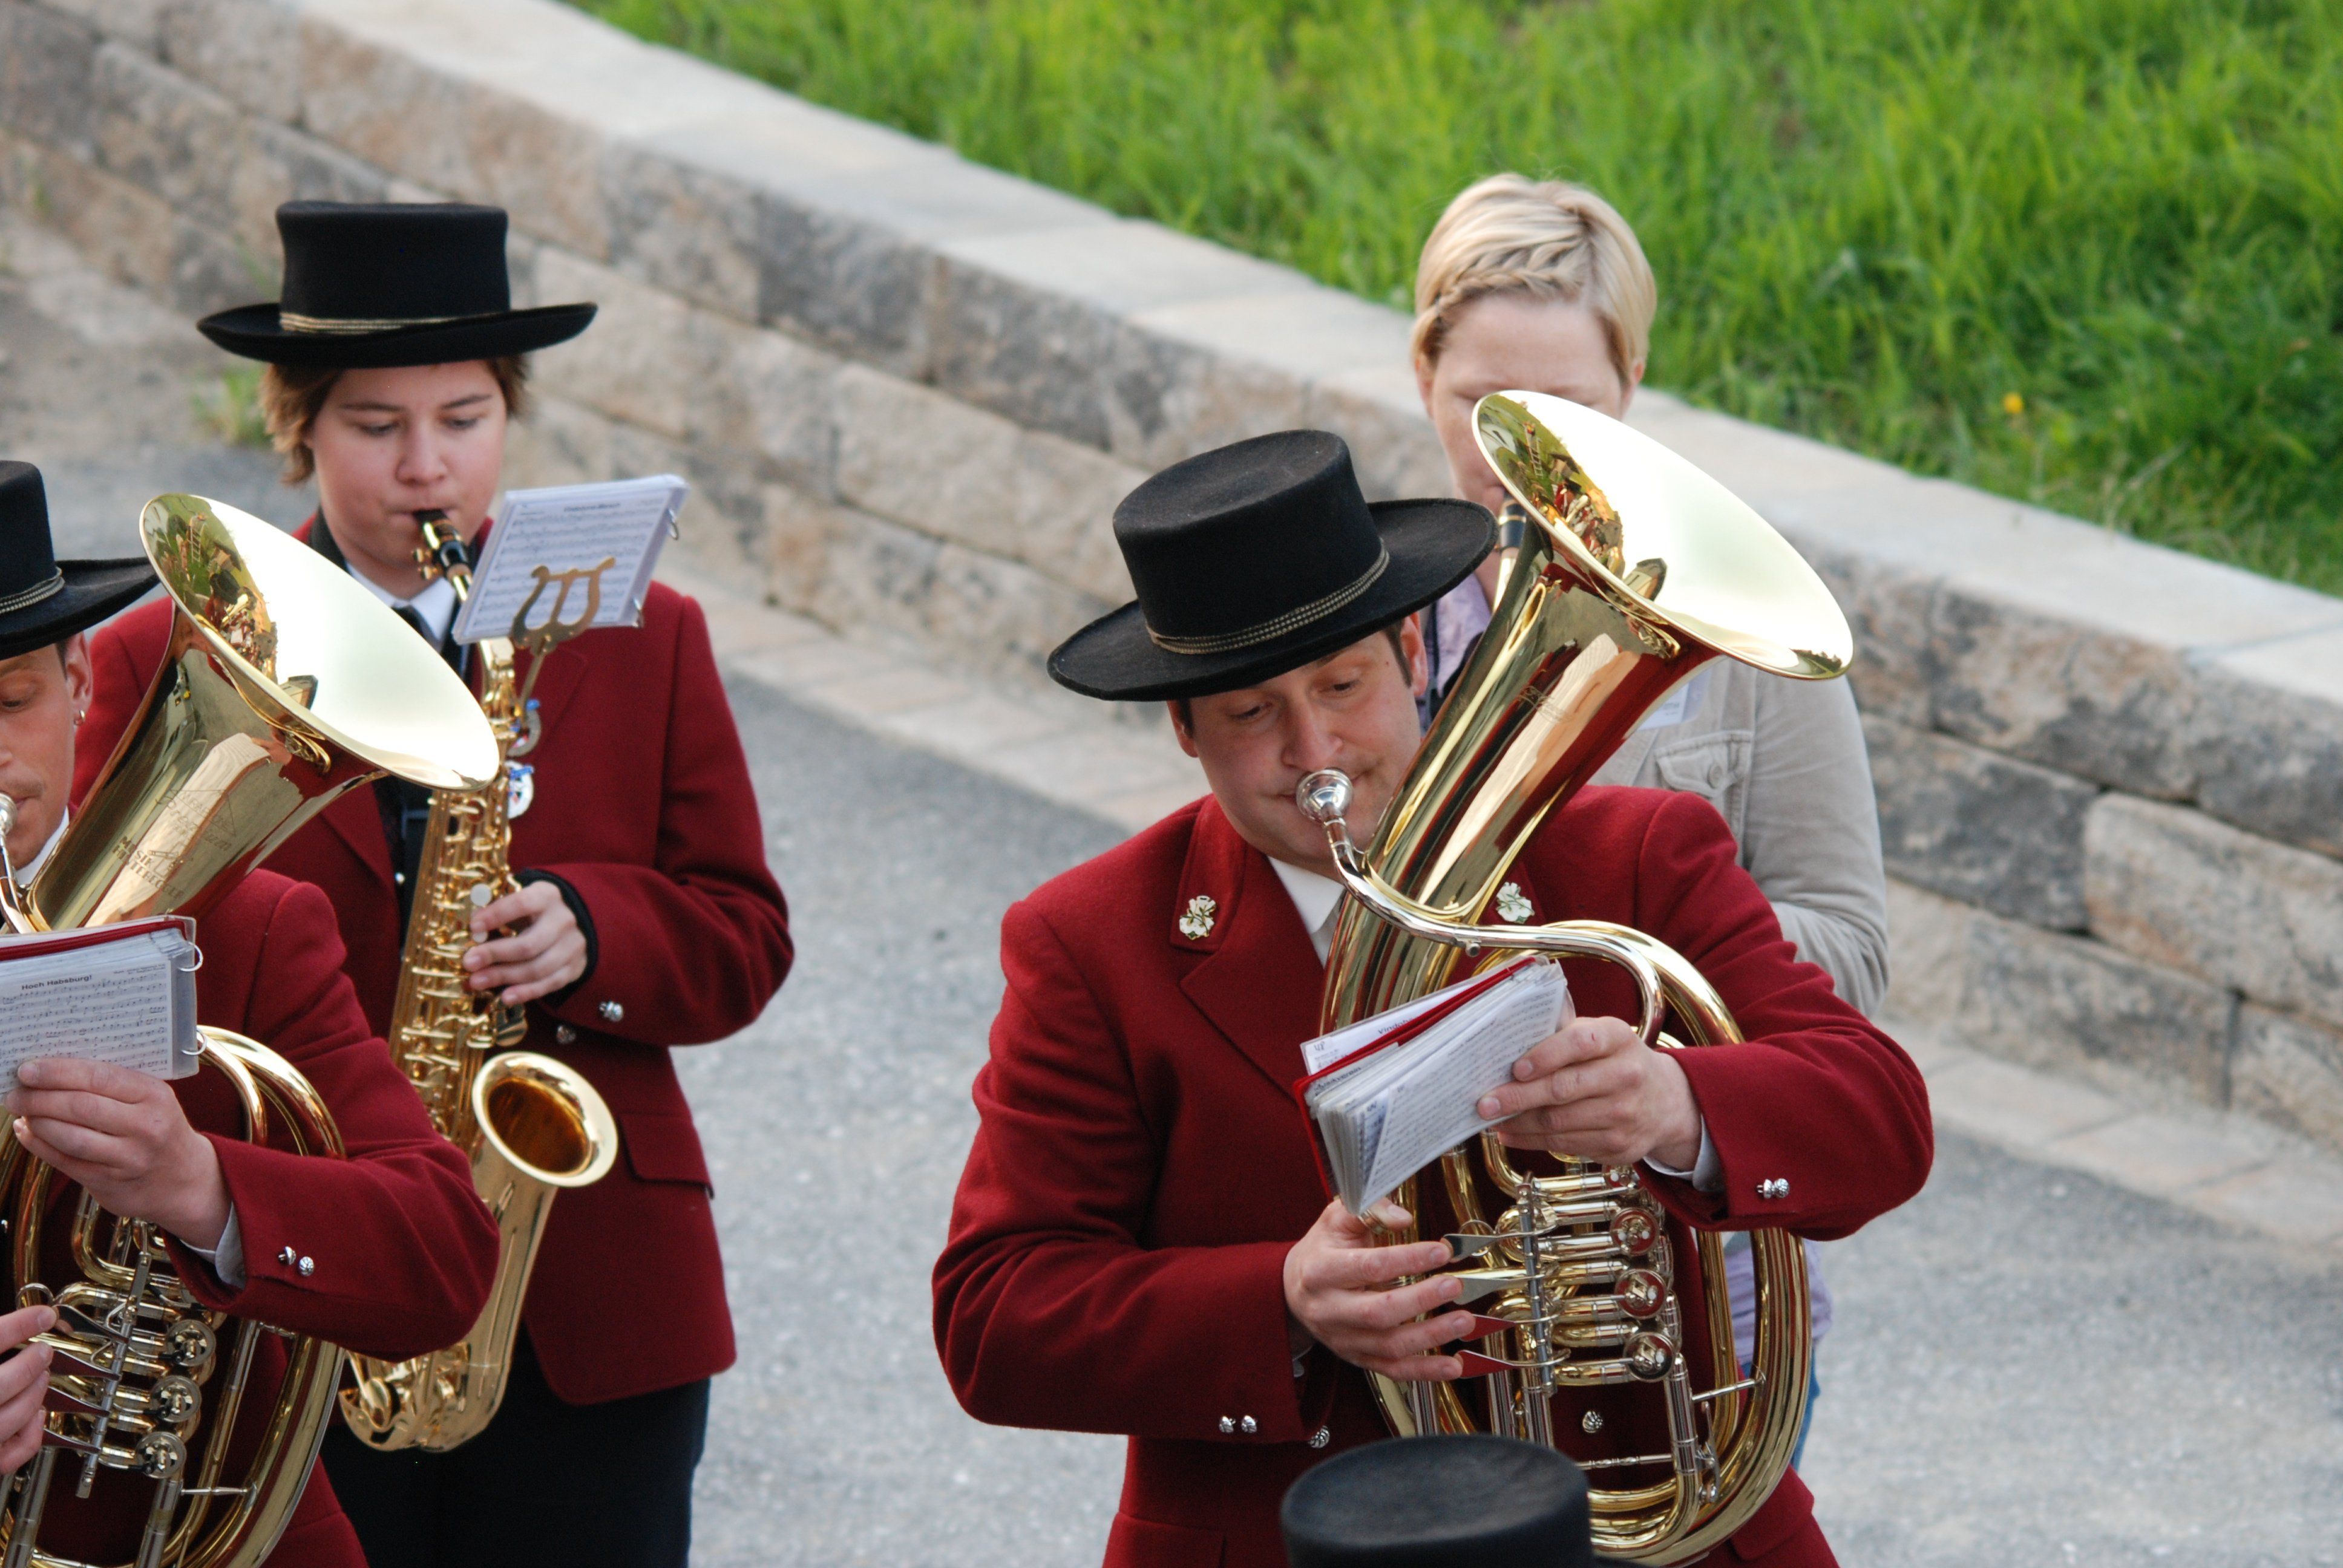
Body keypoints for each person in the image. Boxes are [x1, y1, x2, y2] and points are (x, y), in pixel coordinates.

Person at [933, 429, 1932, 1568]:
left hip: (1649, 1514)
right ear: (1184, 728)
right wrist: (1283, 1301)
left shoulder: (1631, 853)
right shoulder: (1092, 941)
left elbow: (1885, 1119)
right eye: (1251, 714)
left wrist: (1676, 1104)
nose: (1315, 749)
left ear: (1411, 653)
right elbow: (994, 1317)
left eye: (1343, 685)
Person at [74, 202, 796, 1568]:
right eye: (375, 425)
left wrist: (600, 931)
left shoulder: (645, 633)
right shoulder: (164, 653)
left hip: (591, 1298)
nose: (427, 467)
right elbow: (110, 957)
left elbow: (747, 937)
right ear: (297, 427)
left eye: (465, 418)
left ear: (510, 413)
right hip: (293, 1281)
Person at [1411, 174, 1894, 1437]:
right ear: (1422, 378)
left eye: (1571, 409)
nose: (1528, 456)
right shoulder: (1367, 628)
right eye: (1485, 405)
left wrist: (1621, 969)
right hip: (1439, 1274)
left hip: (1690, 1284)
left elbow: (1850, 949)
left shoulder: (1740, 624)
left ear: (1631, 384)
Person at [0, 459, 499, 1564]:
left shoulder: (252, 930)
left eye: (11, 700)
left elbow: (448, 1258)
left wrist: (203, 1187)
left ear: (80, 681)